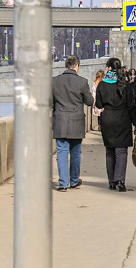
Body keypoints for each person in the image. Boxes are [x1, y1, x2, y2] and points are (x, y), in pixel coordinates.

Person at [95, 57, 136, 192]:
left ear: (108, 68)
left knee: (109, 151)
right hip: (123, 119)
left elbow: (98, 105)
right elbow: (131, 106)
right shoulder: (125, 85)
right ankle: (120, 180)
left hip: (107, 119)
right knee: (121, 151)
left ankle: (111, 182)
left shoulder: (102, 85)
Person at [52, 55, 94, 192]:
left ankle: (63, 183)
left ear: (66, 66)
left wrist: (57, 109)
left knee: (62, 153)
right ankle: (74, 180)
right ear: (77, 66)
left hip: (60, 120)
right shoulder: (82, 82)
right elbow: (89, 101)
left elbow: (48, 101)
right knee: (75, 153)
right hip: (77, 121)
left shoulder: (54, 81)